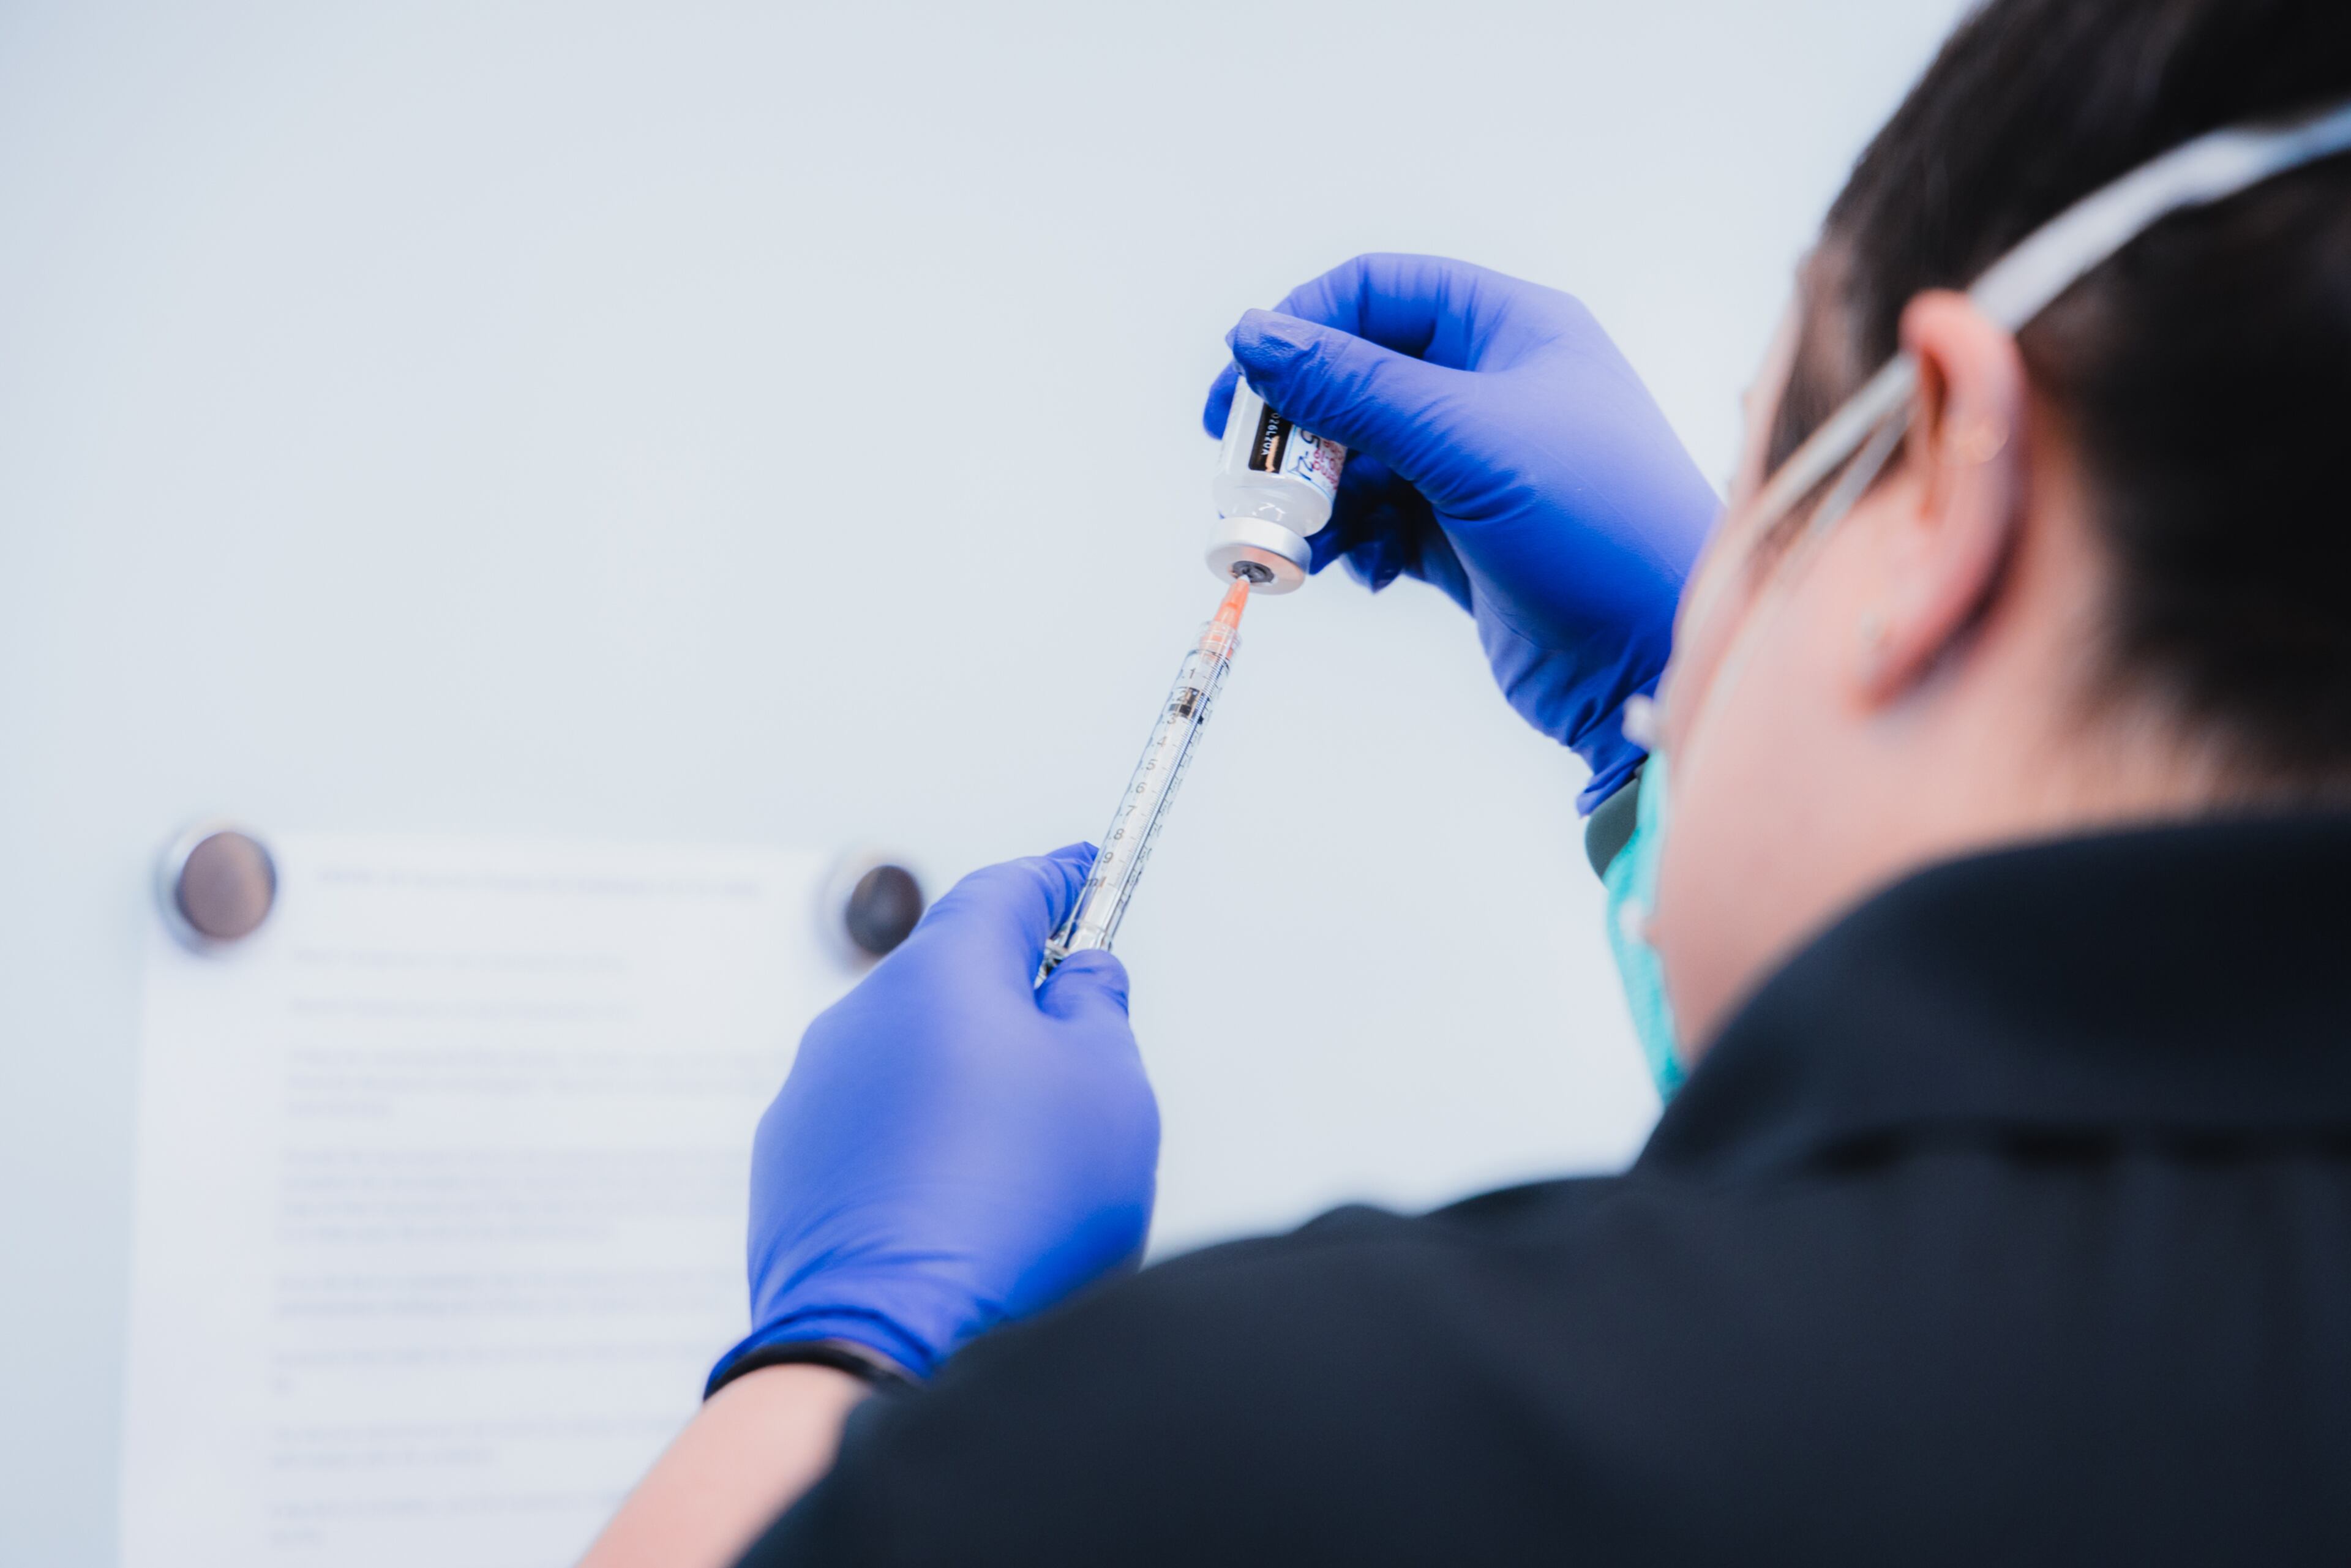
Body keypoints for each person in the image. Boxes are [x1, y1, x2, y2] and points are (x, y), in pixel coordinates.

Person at [584, 1, 2351, 1561]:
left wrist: (842, 1362)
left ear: (1945, 488)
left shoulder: (1257, 1455)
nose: (1691, 649)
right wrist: (1681, 714)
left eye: (1759, 470)